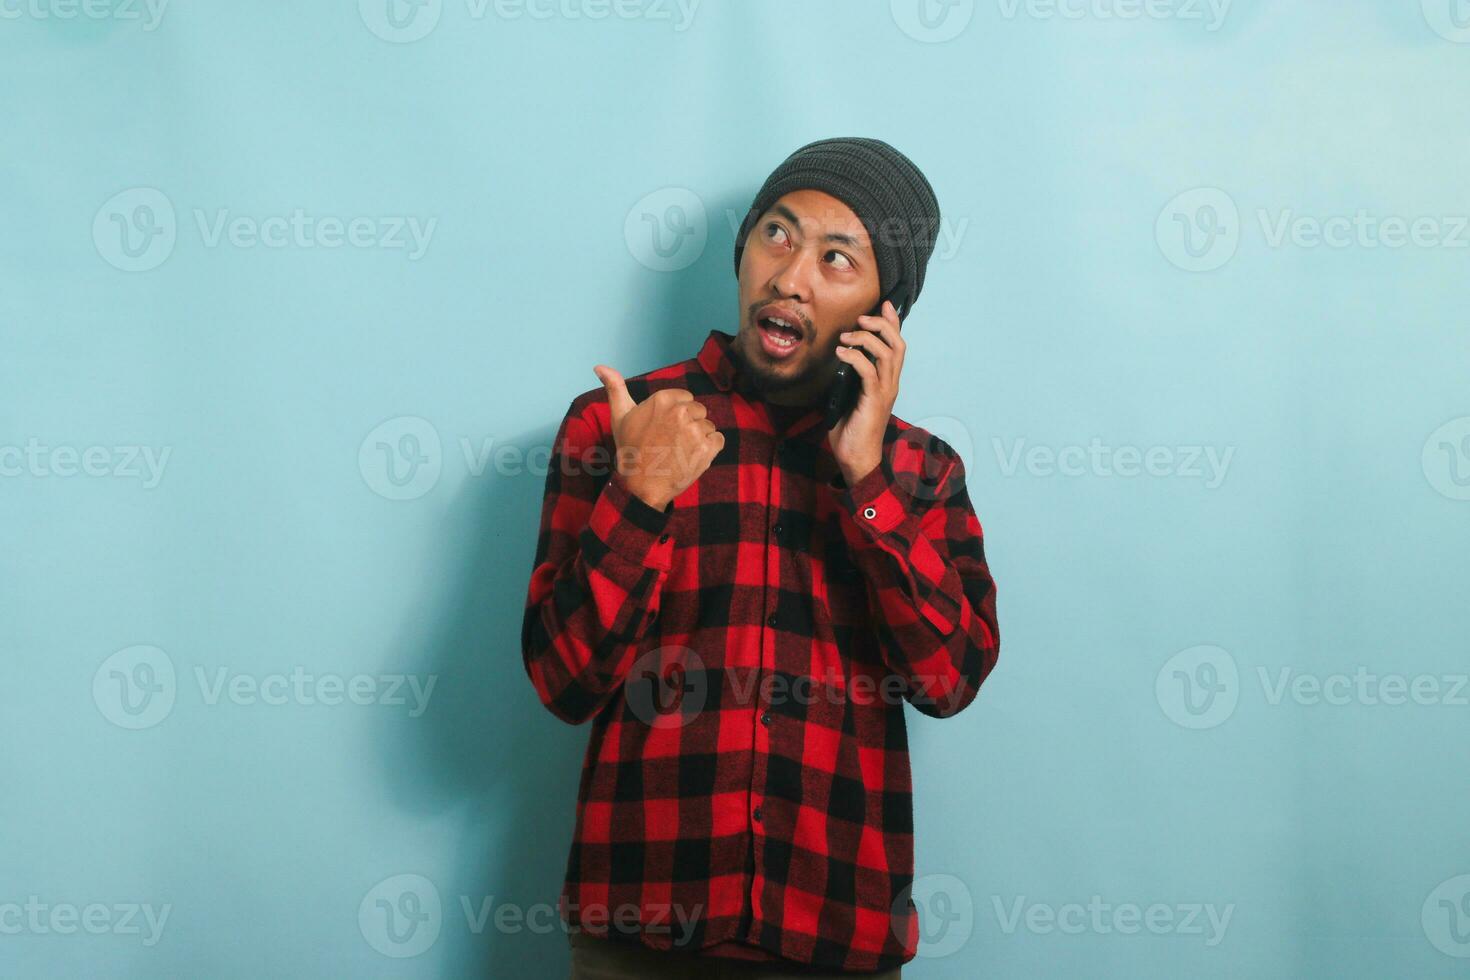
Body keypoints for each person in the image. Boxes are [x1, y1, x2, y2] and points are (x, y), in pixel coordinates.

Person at [521, 137, 1000, 978]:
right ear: (742, 251)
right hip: (640, 934)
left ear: (885, 314)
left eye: (836, 258)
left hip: (837, 934)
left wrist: (864, 477)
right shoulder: (619, 427)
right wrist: (640, 496)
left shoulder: (921, 473)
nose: (791, 277)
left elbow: (949, 681)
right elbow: (563, 683)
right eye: (776, 236)